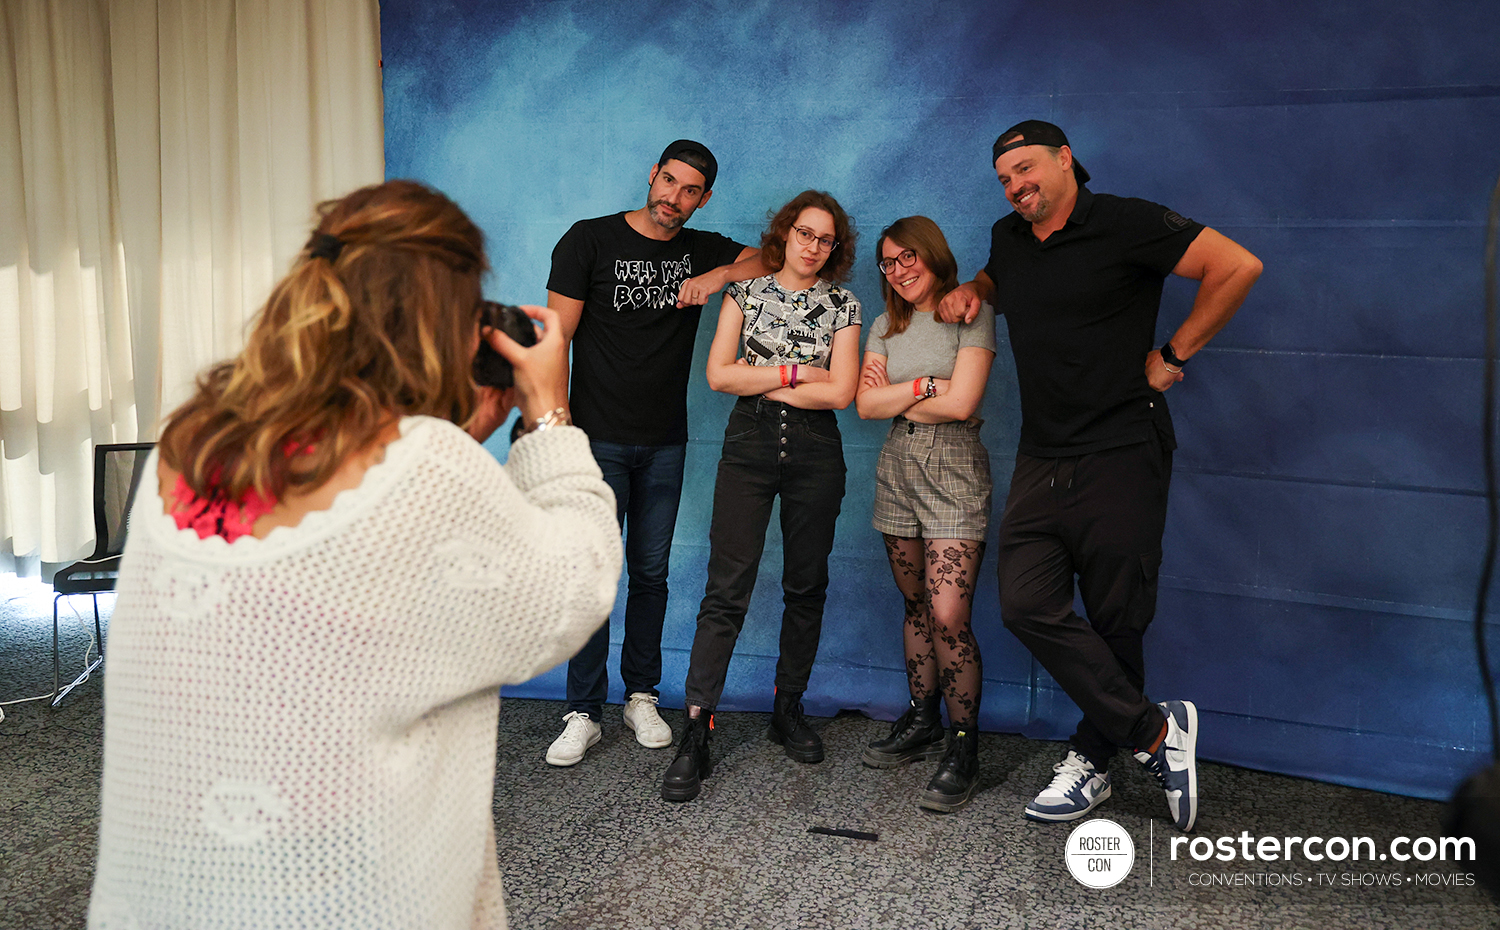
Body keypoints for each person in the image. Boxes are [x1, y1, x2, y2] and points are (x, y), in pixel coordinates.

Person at [87, 180, 622, 929]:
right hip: (336, 885)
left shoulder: (197, 437)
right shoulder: (429, 467)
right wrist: (549, 417)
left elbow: (345, 584)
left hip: (172, 889)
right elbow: (574, 590)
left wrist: (459, 436)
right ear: (444, 316)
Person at [939, 121, 1262, 832]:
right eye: (1003, 177)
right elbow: (1005, 277)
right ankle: (1154, 732)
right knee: (1026, 604)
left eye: (1025, 168)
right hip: (1044, 453)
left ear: (1065, 161)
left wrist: (1174, 355)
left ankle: (1092, 761)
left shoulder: (1126, 222)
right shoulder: (1007, 237)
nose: (1015, 185)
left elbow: (1238, 265)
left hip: (1123, 447)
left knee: (1119, 619)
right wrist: (976, 288)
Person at [544, 140, 767, 767]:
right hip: (595, 439)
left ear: (704, 198)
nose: (673, 198)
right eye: (668, 182)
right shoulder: (588, 240)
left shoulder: (701, 248)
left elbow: (766, 258)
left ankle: (640, 693)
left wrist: (717, 277)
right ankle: (583, 710)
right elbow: (555, 339)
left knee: (651, 575)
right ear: (652, 175)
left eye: (689, 190)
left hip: (665, 439)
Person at [660, 190, 861, 802]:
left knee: (806, 582)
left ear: (835, 248)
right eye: (805, 233)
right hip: (747, 447)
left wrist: (767, 379)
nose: (813, 247)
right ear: (785, 233)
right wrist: (799, 373)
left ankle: (788, 707)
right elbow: (720, 375)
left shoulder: (843, 304)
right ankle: (696, 729)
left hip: (816, 453)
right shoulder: (744, 294)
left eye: (826, 240)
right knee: (728, 585)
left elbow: (844, 393)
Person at [855, 216, 996, 812]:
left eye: (908, 256)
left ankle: (964, 746)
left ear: (934, 256)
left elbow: (965, 400)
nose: (899, 269)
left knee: (947, 613)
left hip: (956, 469)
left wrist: (908, 392)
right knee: (915, 604)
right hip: (897, 466)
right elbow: (865, 405)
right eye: (888, 262)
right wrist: (926, 387)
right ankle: (924, 720)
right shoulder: (886, 325)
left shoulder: (970, 312)